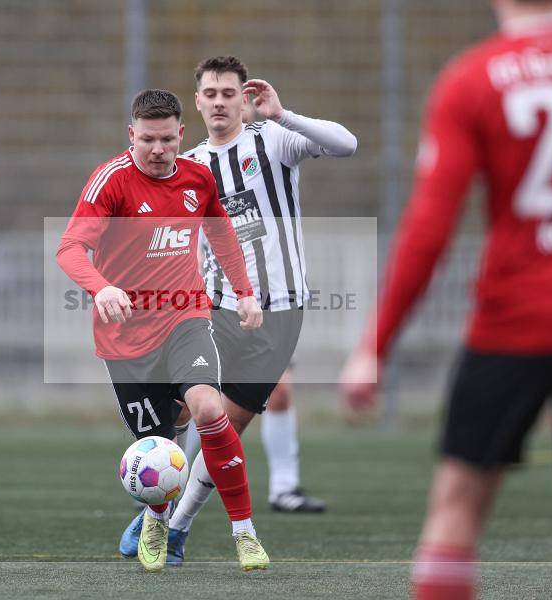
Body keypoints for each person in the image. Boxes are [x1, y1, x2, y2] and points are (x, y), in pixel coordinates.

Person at [340, 1, 552, 598]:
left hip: (516, 324)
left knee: (457, 510)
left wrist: (374, 345)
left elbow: (430, 228)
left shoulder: (474, 78)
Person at [120, 55, 356, 566]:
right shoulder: (192, 164)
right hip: (215, 307)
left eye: (231, 92)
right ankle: (157, 506)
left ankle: (172, 526)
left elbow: (346, 144)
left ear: (243, 97)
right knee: (185, 412)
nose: (221, 101)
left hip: (283, 312)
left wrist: (283, 113)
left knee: (227, 427)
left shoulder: (272, 140)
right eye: (212, 93)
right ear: (199, 101)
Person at [56, 88, 269, 572]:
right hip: (125, 338)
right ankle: (156, 514)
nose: (158, 150)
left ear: (181, 134)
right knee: (160, 449)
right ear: (131, 135)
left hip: (185, 318)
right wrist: (101, 287)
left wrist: (244, 292)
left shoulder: (198, 179)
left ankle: (245, 533)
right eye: (147, 140)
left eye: (167, 140)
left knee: (210, 409)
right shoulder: (110, 180)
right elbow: (69, 249)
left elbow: (221, 233)